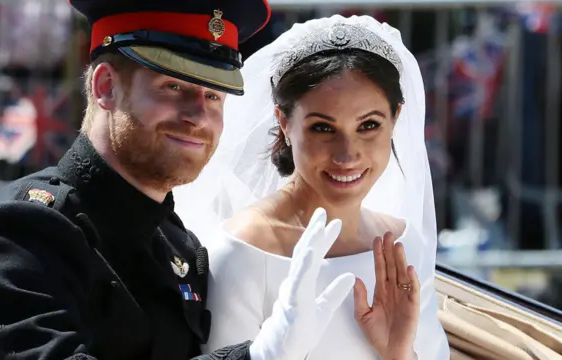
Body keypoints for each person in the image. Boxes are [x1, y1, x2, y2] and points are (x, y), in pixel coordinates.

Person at [0, 1, 358, 359]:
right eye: (174, 87)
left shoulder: (178, 246)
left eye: (213, 95)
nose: (197, 115)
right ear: (105, 86)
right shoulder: (15, 236)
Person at [173, 14, 451, 359]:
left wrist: (398, 353)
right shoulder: (244, 251)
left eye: (368, 125)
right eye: (323, 128)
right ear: (284, 123)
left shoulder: (402, 243)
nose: (347, 154)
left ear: (395, 118)